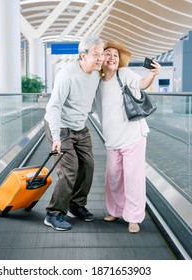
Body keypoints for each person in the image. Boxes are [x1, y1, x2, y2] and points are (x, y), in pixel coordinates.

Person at [94, 41, 161, 233]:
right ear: (101, 58)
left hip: (133, 135)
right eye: (108, 54)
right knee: (114, 177)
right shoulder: (96, 83)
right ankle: (115, 210)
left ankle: (133, 217)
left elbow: (142, 84)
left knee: (133, 178)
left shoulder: (123, 74)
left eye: (116, 55)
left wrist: (153, 74)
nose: (112, 57)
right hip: (112, 138)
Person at [43, 36, 105, 231]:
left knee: (88, 166)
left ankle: (76, 205)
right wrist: (56, 137)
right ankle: (53, 214)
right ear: (83, 55)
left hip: (80, 127)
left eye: (102, 54)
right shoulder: (67, 74)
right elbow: (53, 107)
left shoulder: (96, 73)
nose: (101, 58)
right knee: (69, 170)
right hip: (60, 127)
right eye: (96, 54)